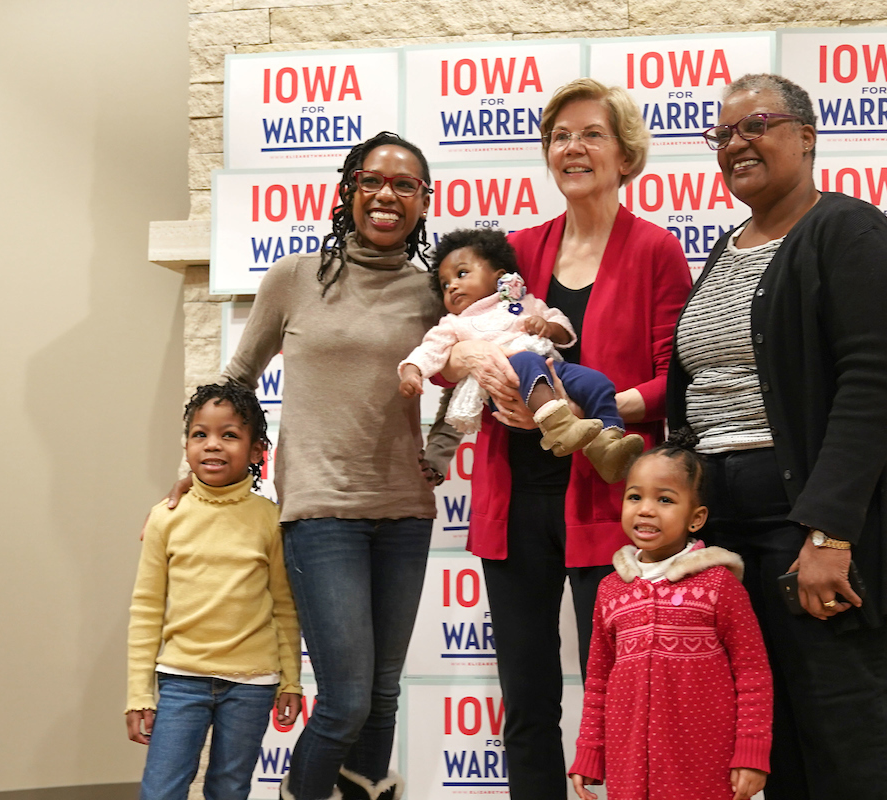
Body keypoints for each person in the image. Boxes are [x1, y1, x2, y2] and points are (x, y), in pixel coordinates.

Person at [667, 73, 887, 800]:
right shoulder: (726, 249)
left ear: (806, 135)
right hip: (735, 531)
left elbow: (874, 388)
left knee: (843, 742)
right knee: (777, 745)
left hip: (816, 532)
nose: (737, 142)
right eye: (723, 134)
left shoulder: (850, 231)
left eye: (756, 124)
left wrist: (829, 534)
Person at [165, 132, 459, 800]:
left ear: (423, 201)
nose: (387, 194)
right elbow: (238, 378)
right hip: (321, 515)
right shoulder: (295, 278)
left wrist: (439, 450)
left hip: (406, 513)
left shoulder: (431, 294)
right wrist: (193, 460)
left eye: (405, 184)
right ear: (348, 188)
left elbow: (475, 373)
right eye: (372, 179)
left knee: (383, 695)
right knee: (347, 698)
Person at [441, 78, 693, 799]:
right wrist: (489, 379)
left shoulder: (656, 251)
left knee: (619, 698)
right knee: (526, 703)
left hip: (611, 498)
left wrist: (583, 409)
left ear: (625, 153)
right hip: (515, 498)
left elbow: (675, 380)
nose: (572, 148)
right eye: (559, 136)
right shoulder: (516, 249)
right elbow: (451, 343)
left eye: (591, 134)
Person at [568, 437, 773, 800]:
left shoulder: (718, 584)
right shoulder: (610, 590)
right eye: (635, 497)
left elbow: (753, 672)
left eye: (664, 499)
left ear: (696, 518)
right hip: (628, 768)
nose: (646, 510)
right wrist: (590, 752)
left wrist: (752, 753)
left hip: (704, 767)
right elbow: (598, 679)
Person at [126, 383, 303, 800]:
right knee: (161, 790)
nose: (212, 446)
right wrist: (138, 692)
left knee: (229, 788)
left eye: (230, 435)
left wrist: (290, 681)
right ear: (186, 445)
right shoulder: (165, 518)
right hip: (180, 680)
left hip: (253, 684)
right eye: (200, 434)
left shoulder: (269, 519)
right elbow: (147, 608)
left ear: (258, 449)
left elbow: (284, 608)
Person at [399, 228, 644, 483]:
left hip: (549, 369)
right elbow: (430, 349)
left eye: (462, 274)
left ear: (500, 277)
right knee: (524, 359)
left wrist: (548, 328)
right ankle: (560, 426)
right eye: (445, 284)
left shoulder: (526, 302)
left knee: (597, 382)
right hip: (506, 384)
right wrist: (411, 370)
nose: (453, 286)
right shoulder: (454, 322)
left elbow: (562, 328)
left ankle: (608, 444)